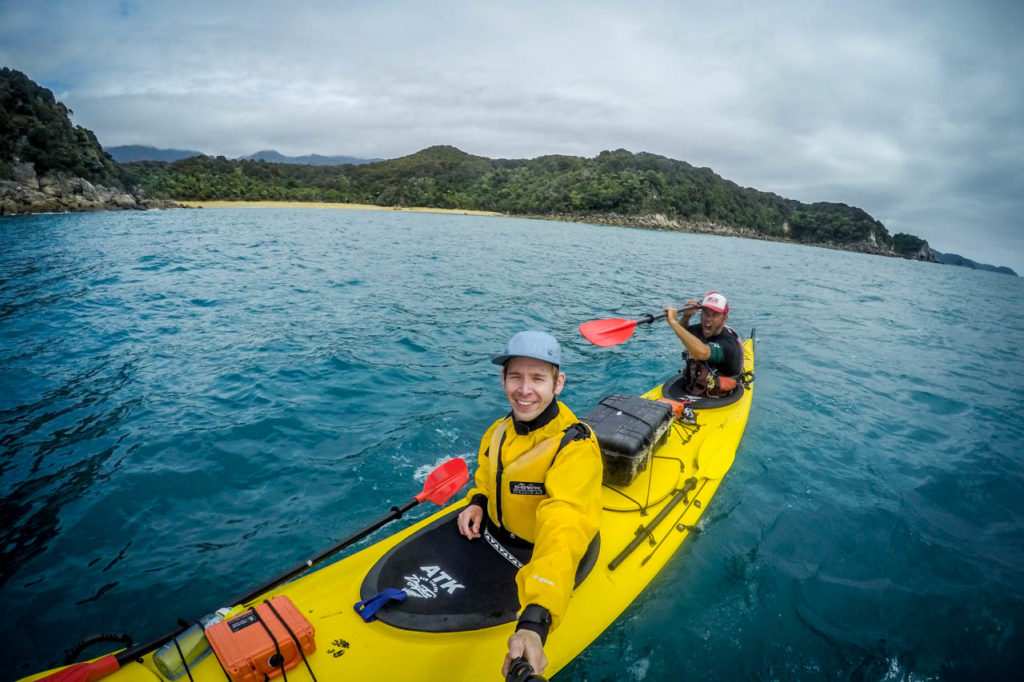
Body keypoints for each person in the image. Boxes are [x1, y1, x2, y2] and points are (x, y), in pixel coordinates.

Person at [457, 330, 603, 677]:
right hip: (495, 538)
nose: (524, 390)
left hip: (539, 555)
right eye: (516, 378)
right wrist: (477, 501)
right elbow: (487, 473)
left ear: (558, 383)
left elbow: (563, 526)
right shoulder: (499, 429)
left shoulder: (575, 448)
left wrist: (535, 621)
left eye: (537, 378)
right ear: (503, 381)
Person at [664, 291, 743, 393]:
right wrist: (686, 316)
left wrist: (672, 322)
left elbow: (703, 353)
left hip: (724, 391)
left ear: (724, 319)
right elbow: (683, 333)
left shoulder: (729, 343)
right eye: (705, 313)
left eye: (714, 315)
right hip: (700, 381)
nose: (708, 319)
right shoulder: (700, 329)